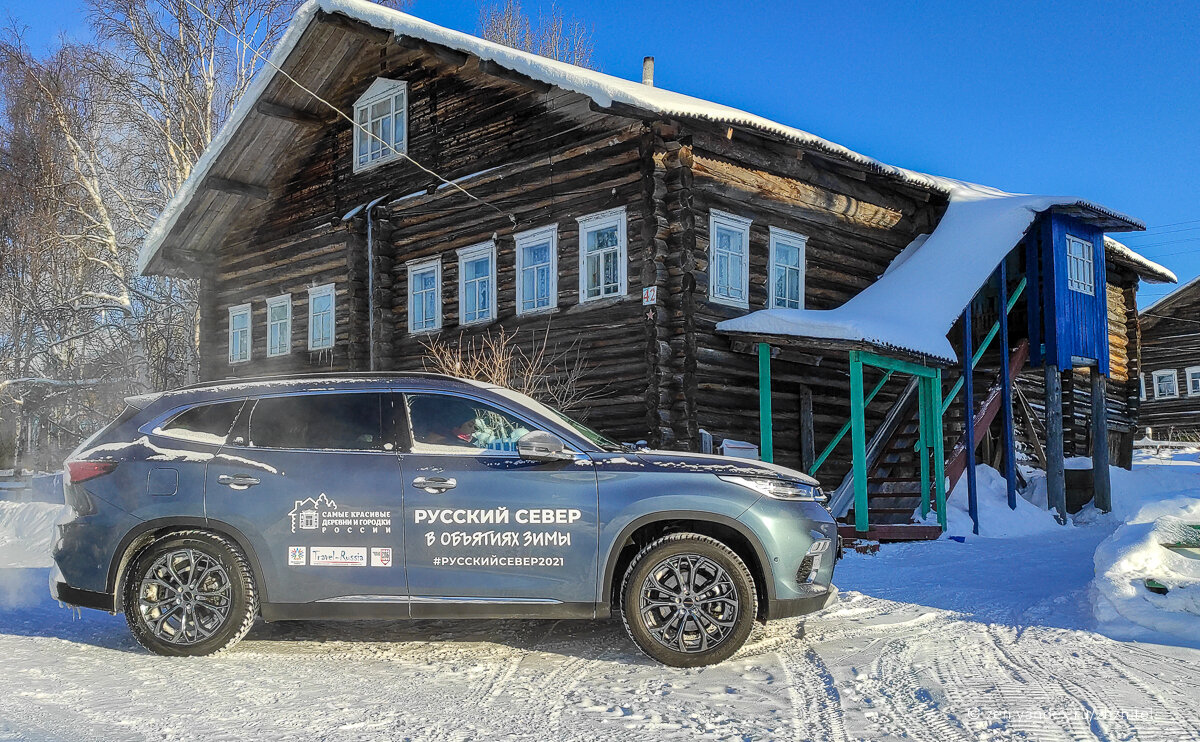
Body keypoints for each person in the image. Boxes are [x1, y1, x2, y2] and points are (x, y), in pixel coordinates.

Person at [409, 396, 479, 448]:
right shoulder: (459, 447)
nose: (473, 430)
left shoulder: (417, 440)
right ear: (456, 422)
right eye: (470, 425)